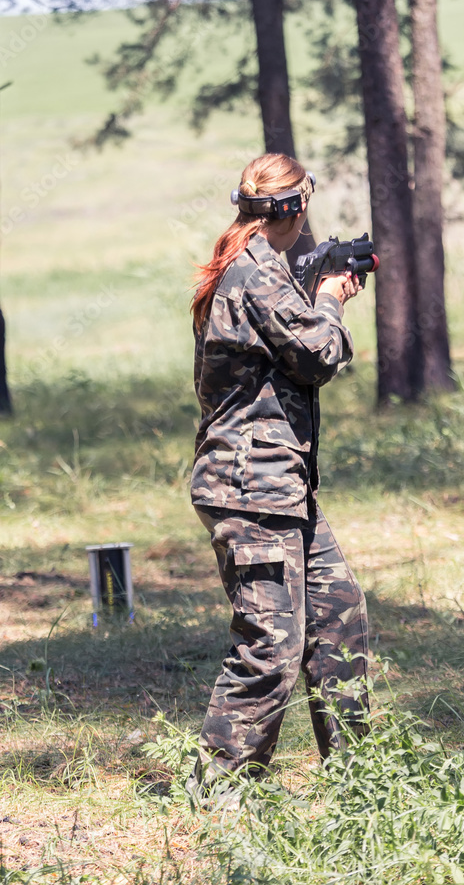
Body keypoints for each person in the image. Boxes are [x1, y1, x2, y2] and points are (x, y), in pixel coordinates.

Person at [188, 152, 369, 791]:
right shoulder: (254, 272)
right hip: (250, 487)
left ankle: (363, 781)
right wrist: (329, 299)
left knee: (338, 616)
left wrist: (317, 286)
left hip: (279, 484)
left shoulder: (262, 266)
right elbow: (316, 356)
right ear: (294, 208)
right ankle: (220, 793)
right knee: (270, 649)